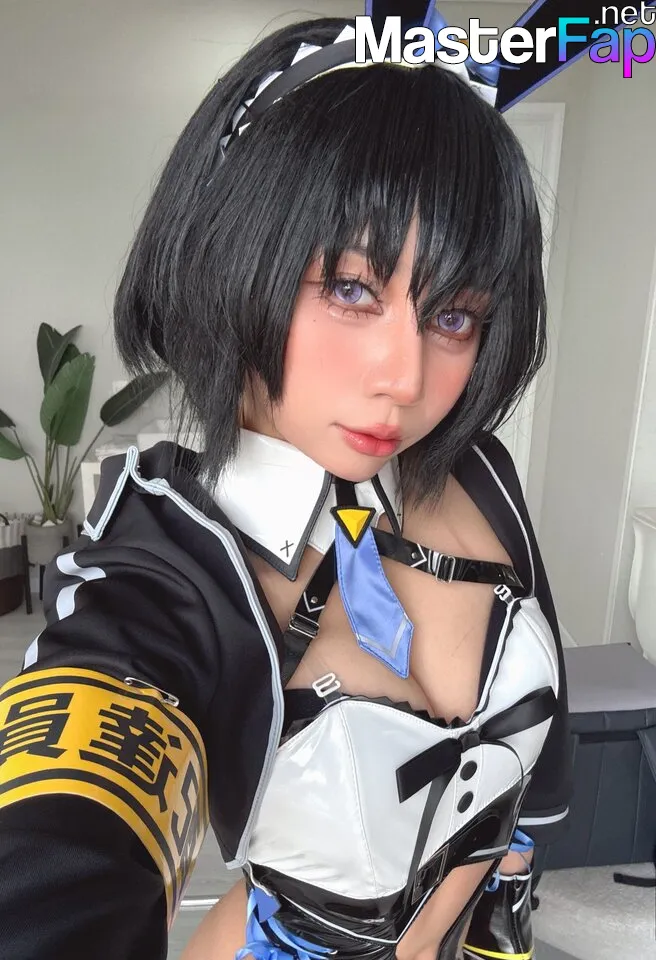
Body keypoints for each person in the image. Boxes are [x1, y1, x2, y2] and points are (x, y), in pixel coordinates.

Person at [0, 6, 574, 960]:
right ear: (237, 260)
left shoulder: (479, 472)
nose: (406, 380)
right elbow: (58, 848)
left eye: (454, 316)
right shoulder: (163, 563)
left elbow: (528, 797)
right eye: (350, 288)